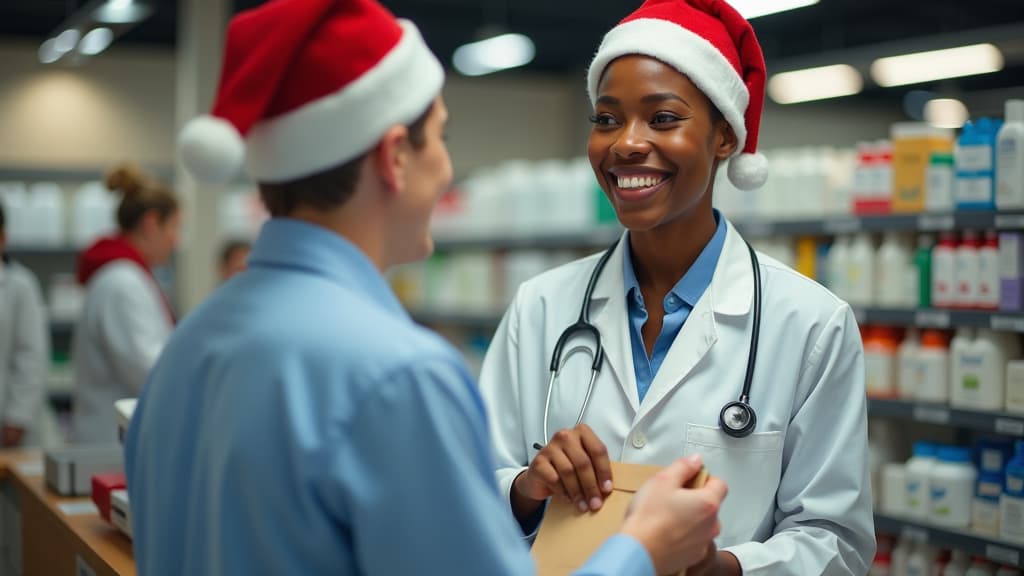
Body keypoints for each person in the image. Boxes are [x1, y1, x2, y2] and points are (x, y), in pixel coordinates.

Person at [125, 1, 727, 575]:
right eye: (439, 137)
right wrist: (643, 549)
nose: (445, 168)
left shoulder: (190, 344)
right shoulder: (396, 376)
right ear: (395, 158)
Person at [479, 1, 875, 574]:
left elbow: (835, 538)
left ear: (723, 137)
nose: (627, 144)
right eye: (607, 118)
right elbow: (467, 486)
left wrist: (726, 569)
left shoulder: (812, 323)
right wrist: (525, 486)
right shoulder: (541, 306)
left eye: (663, 118)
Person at [71, 164, 179, 445]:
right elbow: (146, 370)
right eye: (174, 227)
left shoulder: (130, 276)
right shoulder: (122, 282)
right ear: (151, 224)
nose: (175, 240)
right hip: (111, 441)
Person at [0, 203, 48, 447]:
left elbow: (31, 355)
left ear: (3, 237)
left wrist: (17, 417)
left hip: (8, 424)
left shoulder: (20, 285)